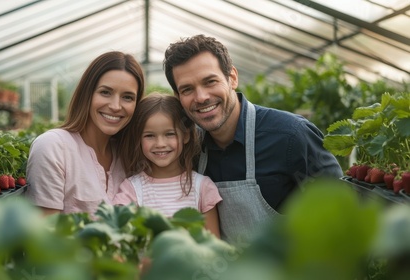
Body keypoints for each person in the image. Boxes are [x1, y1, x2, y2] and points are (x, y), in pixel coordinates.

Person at [163, 34, 343, 243]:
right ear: (178, 98)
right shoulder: (188, 148)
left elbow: (340, 210)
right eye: (187, 89)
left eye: (210, 81)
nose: (201, 97)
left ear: (232, 78)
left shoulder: (291, 136)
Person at [25, 51, 145, 216]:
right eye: (105, 92)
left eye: (128, 97)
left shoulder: (130, 156)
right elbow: (46, 235)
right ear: (87, 94)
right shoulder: (53, 147)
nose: (116, 106)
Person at [114, 93, 222, 237]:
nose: (160, 144)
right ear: (138, 139)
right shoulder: (131, 189)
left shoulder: (202, 187)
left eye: (170, 134)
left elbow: (214, 245)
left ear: (186, 136)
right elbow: (123, 240)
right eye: (149, 135)